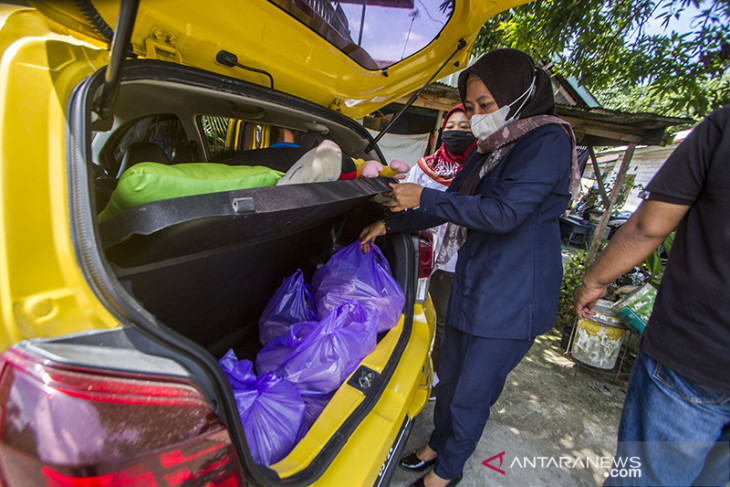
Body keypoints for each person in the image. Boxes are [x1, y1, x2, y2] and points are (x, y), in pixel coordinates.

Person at [360, 48, 579, 487]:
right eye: (473, 106)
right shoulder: (490, 149)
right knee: (451, 374)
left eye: (486, 105)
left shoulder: (547, 140)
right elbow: (453, 203)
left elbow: (503, 212)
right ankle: (439, 443)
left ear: (519, 96)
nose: (478, 115)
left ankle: (448, 471)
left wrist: (422, 197)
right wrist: (390, 221)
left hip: (513, 293)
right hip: (475, 280)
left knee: (473, 391)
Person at [574, 104, 730, 487]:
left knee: (645, 478)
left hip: (696, 356)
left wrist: (594, 280)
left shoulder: (723, 126)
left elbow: (648, 226)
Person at [405, 104, 476, 386]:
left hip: (452, 260)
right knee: (410, 310)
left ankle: (434, 375)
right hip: (417, 252)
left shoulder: (475, 172)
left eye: (465, 128)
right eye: (450, 127)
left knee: (442, 318)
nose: (455, 133)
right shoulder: (422, 168)